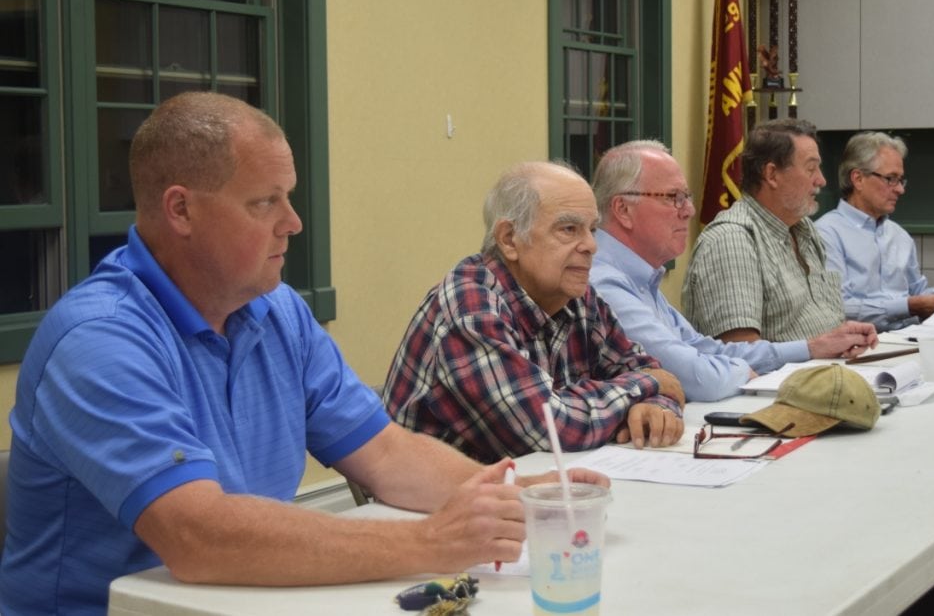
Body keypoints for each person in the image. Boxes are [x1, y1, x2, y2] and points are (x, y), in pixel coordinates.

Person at [0, 92, 608, 616]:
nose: (292, 222)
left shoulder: (278, 311)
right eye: (265, 202)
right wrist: (431, 542)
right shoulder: (99, 339)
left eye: (288, 198)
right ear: (180, 209)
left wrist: (521, 498)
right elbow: (196, 536)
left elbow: (388, 455)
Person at [382, 160, 686, 464]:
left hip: (532, 488)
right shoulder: (469, 307)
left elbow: (645, 370)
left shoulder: (578, 298)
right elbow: (547, 427)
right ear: (509, 239)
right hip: (426, 505)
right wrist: (647, 386)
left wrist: (656, 409)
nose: (591, 245)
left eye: (592, 229)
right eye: (569, 229)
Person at [590, 140, 878, 402]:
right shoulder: (604, 284)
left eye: (687, 197)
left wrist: (813, 347)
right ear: (623, 210)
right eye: (673, 197)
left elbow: (704, 348)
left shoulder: (642, 279)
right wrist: (743, 372)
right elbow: (698, 379)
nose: (689, 210)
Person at [815, 131, 934, 332]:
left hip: (909, 338)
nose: (900, 190)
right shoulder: (826, 234)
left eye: (901, 180)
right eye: (891, 179)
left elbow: (920, 295)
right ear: (858, 179)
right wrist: (908, 306)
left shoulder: (899, 236)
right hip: (861, 346)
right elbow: (836, 308)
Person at [682, 118, 845, 343]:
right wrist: (816, 349)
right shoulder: (733, 240)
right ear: (772, 174)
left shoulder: (804, 229)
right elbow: (741, 350)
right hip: (781, 378)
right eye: (811, 168)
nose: (822, 180)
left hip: (833, 368)